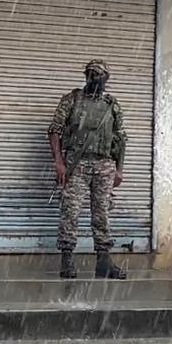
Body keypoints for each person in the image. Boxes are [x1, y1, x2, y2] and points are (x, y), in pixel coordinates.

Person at [48, 59, 128, 280]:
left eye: (98, 75)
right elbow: (54, 130)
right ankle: (67, 261)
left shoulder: (112, 105)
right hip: (77, 165)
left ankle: (103, 262)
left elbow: (121, 138)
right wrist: (59, 162)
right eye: (91, 74)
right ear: (86, 76)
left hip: (104, 166)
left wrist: (119, 169)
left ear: (105, 79)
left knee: (102, 214)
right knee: (70, 213)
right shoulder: (72, 100)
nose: (94, 78)